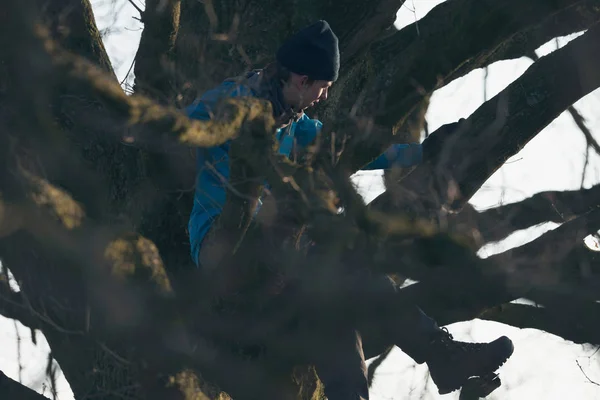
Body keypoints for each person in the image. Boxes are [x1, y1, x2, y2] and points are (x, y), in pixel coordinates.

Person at [186, 20, 514, 400]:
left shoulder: (298, 126)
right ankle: (442, 355)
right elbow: (184, 122)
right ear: (303, 79)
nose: (324, 96)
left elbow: (355, 149)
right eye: (323, 87)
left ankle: (432, 361)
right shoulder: (234, 98)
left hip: (281, 264)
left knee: (336, 312)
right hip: (224, 247)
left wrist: (425, 151)